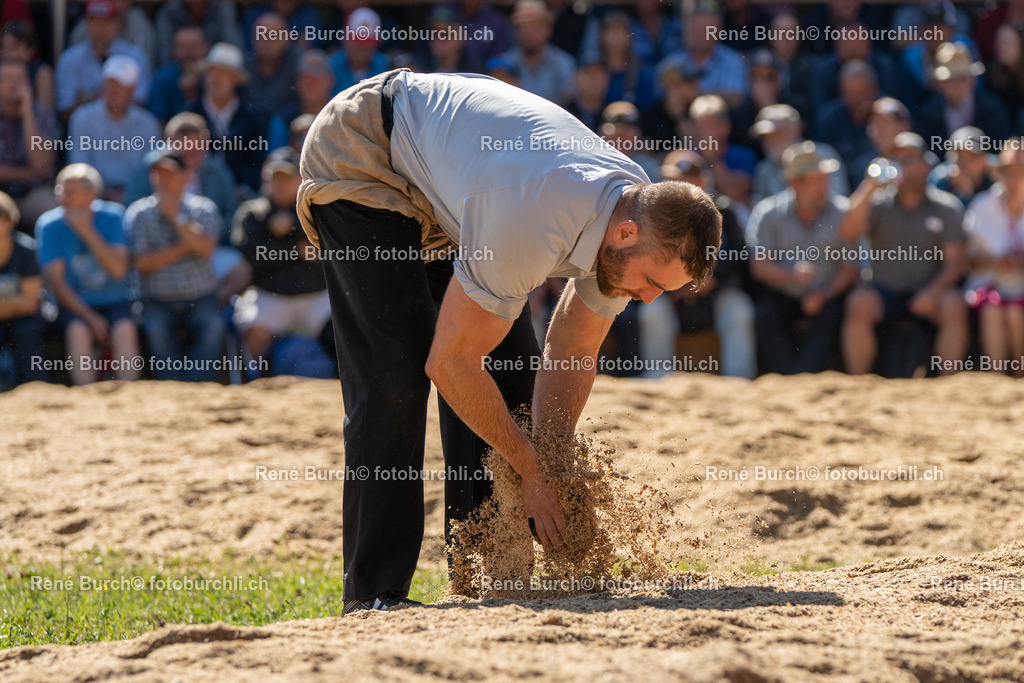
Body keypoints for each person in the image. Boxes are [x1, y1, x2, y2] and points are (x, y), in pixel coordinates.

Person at [297, 69, 721, 614]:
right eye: (654, 282)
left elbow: (574, 347)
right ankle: (373, 595)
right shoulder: (534, 218)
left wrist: (552, 463)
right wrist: (529, 468)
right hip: (365, 150)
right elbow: (450, 363)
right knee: (395, 373)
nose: (651, 298)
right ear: (624, 234)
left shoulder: (633, 213)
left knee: (510, 378)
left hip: (455, 182)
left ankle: (488, 574)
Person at [839, 132, 968, 376]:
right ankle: (859, 382)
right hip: (885, 292)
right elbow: (847, 231)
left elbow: (955, 263)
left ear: (927, 166)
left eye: (908, 159)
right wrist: (869, 186)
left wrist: (932, 292)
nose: (901, 166)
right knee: (859, 303)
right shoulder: (877, 202)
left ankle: (949, 383)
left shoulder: (946, 207)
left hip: (929, 292)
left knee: (954, 304)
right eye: (895, 160)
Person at [643, 150, 756, 379]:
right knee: (652, 312)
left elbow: (738, 255)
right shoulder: (653, 215)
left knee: (739, 311)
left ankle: (739, 380)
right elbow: (648, 258)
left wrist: (712, 279)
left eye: (689, 178)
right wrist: (674, 284)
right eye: (674, 179)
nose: (681, 184)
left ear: (704, 179)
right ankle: (656, 378)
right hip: (670, 292)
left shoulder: (724, 210)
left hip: (716, 292)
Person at [747, 141, 858, 375]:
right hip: (782, 294)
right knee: (766, 313)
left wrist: (824, 294)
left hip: (828, 295)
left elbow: (850, 268)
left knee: (835, 313)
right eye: (815, 180)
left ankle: (802, 375)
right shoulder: (769, 213)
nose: (823, 186)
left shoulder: (843, 212)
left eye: (825, 179)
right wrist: (791, 275)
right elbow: (759, 266)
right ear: (794, 183)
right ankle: (789, 375)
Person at [126, 150, 226, 382]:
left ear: (186, 177)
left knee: (214, 326)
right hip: (155, 301)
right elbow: (142, 263)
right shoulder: (138, 213)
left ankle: (200, 387)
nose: (162, 180)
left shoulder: (203, 208)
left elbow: (206, 250)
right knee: (156, 330)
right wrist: (187, 245)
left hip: (201, 298)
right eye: (157, 174)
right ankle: (171, 388)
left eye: (169, 174)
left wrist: (176, 217)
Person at [36, 164, 139, 385]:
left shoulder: (113, 216)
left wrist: (86, 231)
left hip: (114, 302)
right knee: (78, 331)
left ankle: (130, 393)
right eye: (60, 191)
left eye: (70, 192)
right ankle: (86, 396)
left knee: (125, 329)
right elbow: (57, 284)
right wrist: (90, 318)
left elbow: (118, 270)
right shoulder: (49, 224)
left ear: (91, 195)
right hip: (74, 306)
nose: (62, 198)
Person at [232, 148, 329, 367]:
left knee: (344, 331)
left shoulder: (318, 208)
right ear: (265, 178)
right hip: (270, 296)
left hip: (316, 297)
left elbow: (326, 248)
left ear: (299, 179)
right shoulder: (252, 211)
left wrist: (293, 225)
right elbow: (251, 254)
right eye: (275, 177)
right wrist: (296, 250)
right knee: (255, 331)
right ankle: (253, 379)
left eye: (286, 177)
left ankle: (342, 382)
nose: (280, 183)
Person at [963, 142, 1024, 376]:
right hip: (989, 285)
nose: (1015, 179)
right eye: (1010, 172)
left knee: (1015, 311)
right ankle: (997, 378)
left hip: (1020, 290)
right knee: (993, 307)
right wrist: (994, 262)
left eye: (1021, 172)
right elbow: (966, 259)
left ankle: (1019, 376)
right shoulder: (982, 205)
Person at [67, 55, 161, 204]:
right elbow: (80, 166)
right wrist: (108, 195)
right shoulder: (82, 118)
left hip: (138, 200)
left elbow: (151, 171)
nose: (114, 89)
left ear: (133, 90)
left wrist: (129, 196)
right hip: (91, 199)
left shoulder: (148, 123)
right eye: (110, 83)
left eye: (120, 84)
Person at [125, 112, 237, 229]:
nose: (189, 157)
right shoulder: (153, 166)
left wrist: (213, 233)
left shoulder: (218, 171)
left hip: (207, 236)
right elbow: (133, 203)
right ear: (170, 145)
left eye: (195, 149)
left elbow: (230, 211)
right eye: (184, 150)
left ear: (205, 144)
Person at [189, 43, 269, 196]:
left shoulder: (252, 119)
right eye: (212, 71)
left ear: (235, 79)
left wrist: (245, 188)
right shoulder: (190, 114)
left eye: (224, 72)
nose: (216, 78)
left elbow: (257, 162)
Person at [55, 0, 149, 121]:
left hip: (125, 128)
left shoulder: (134, 56)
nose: (99, 29)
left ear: (118, 23)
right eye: (93, 22)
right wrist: (115, 97)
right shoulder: (70, 59)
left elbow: (139, 104)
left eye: (106, 22)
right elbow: (65, 111)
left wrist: (87, 97)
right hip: (85, 128)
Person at [0, 57, 57, 233]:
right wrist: (30, 173)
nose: (14, 85)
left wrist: (27, 115)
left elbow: (42, 166)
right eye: (8, 79)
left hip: (33, 193)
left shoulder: (41, 114)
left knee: (52, 211)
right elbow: (38, 171)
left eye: (20, 79)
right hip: (1, 195)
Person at [917, 42, 1010, 146]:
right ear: (940, 83)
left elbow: (999, 146)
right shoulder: (929, 113)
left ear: (973, 80)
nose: (957, 85)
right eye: (951, 80)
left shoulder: (992, 108)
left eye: (962, 78)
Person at [749, 104, 847, 203]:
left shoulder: (822, 155)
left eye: (776, 133)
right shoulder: (764, 169)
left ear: (795, 130)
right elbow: (760, 205)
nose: (769, 141)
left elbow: (838, 200)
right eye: (765, 137)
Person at [0, 190, 47, 388]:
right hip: (13, 312)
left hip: (24, 318)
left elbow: (30, 303)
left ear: (9, 222)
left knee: (27, 331)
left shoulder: (26, 250)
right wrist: (13, 302)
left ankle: (37, 387)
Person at [499, 0, 575, 105]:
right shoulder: (503, 65)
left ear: (548, 29)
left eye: (534, 26)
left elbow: (568, 101)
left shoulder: (563, 63)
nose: (528, 32)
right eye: (523, 27)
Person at [146, 27, 208, 124]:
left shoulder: (213, 76)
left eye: (194, 46)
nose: (188, 53)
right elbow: (157, 122)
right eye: (183, 47)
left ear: (205, 49)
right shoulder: (162, 78)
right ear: (174, 51)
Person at [154, 0, 243, 67]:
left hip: (215, 67)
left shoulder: (222, 10)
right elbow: (165, 54)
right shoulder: (169, 11)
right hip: (178, 68)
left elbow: (232, 49)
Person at [928, 126, 993, 208]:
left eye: (971, 158)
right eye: (960, 158)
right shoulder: (939, 180)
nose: (964, 165)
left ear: (984, 159)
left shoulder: (997, 176)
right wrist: (963, 196)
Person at [329, 8, 390, 94]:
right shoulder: (330, 67)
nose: (361, 46)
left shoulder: (386, 67)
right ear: (345, 38)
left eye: (367, 41)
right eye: (356, 39)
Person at [2, 21, 55, 112]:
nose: (10, 54)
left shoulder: (42, 73)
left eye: (15, 47)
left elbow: (46, 113)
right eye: (6, 47)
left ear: (30, 50)